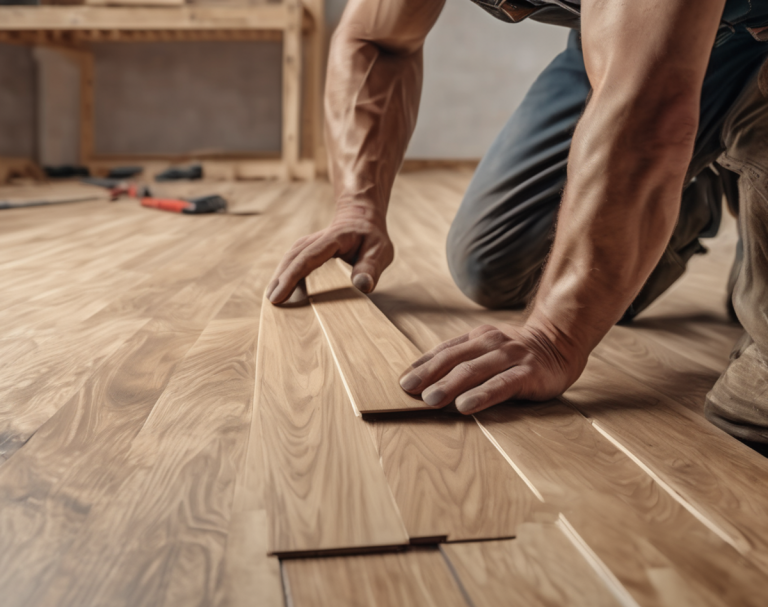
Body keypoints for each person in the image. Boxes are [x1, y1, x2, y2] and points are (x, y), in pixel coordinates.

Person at [266, 0, 768, 449]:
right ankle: (691, 186)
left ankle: (719, 158)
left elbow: (652, 115)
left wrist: (554, 337)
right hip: (636, 45)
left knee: (755, 408)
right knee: (497, 262)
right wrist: (359, 205)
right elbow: (377, 39)